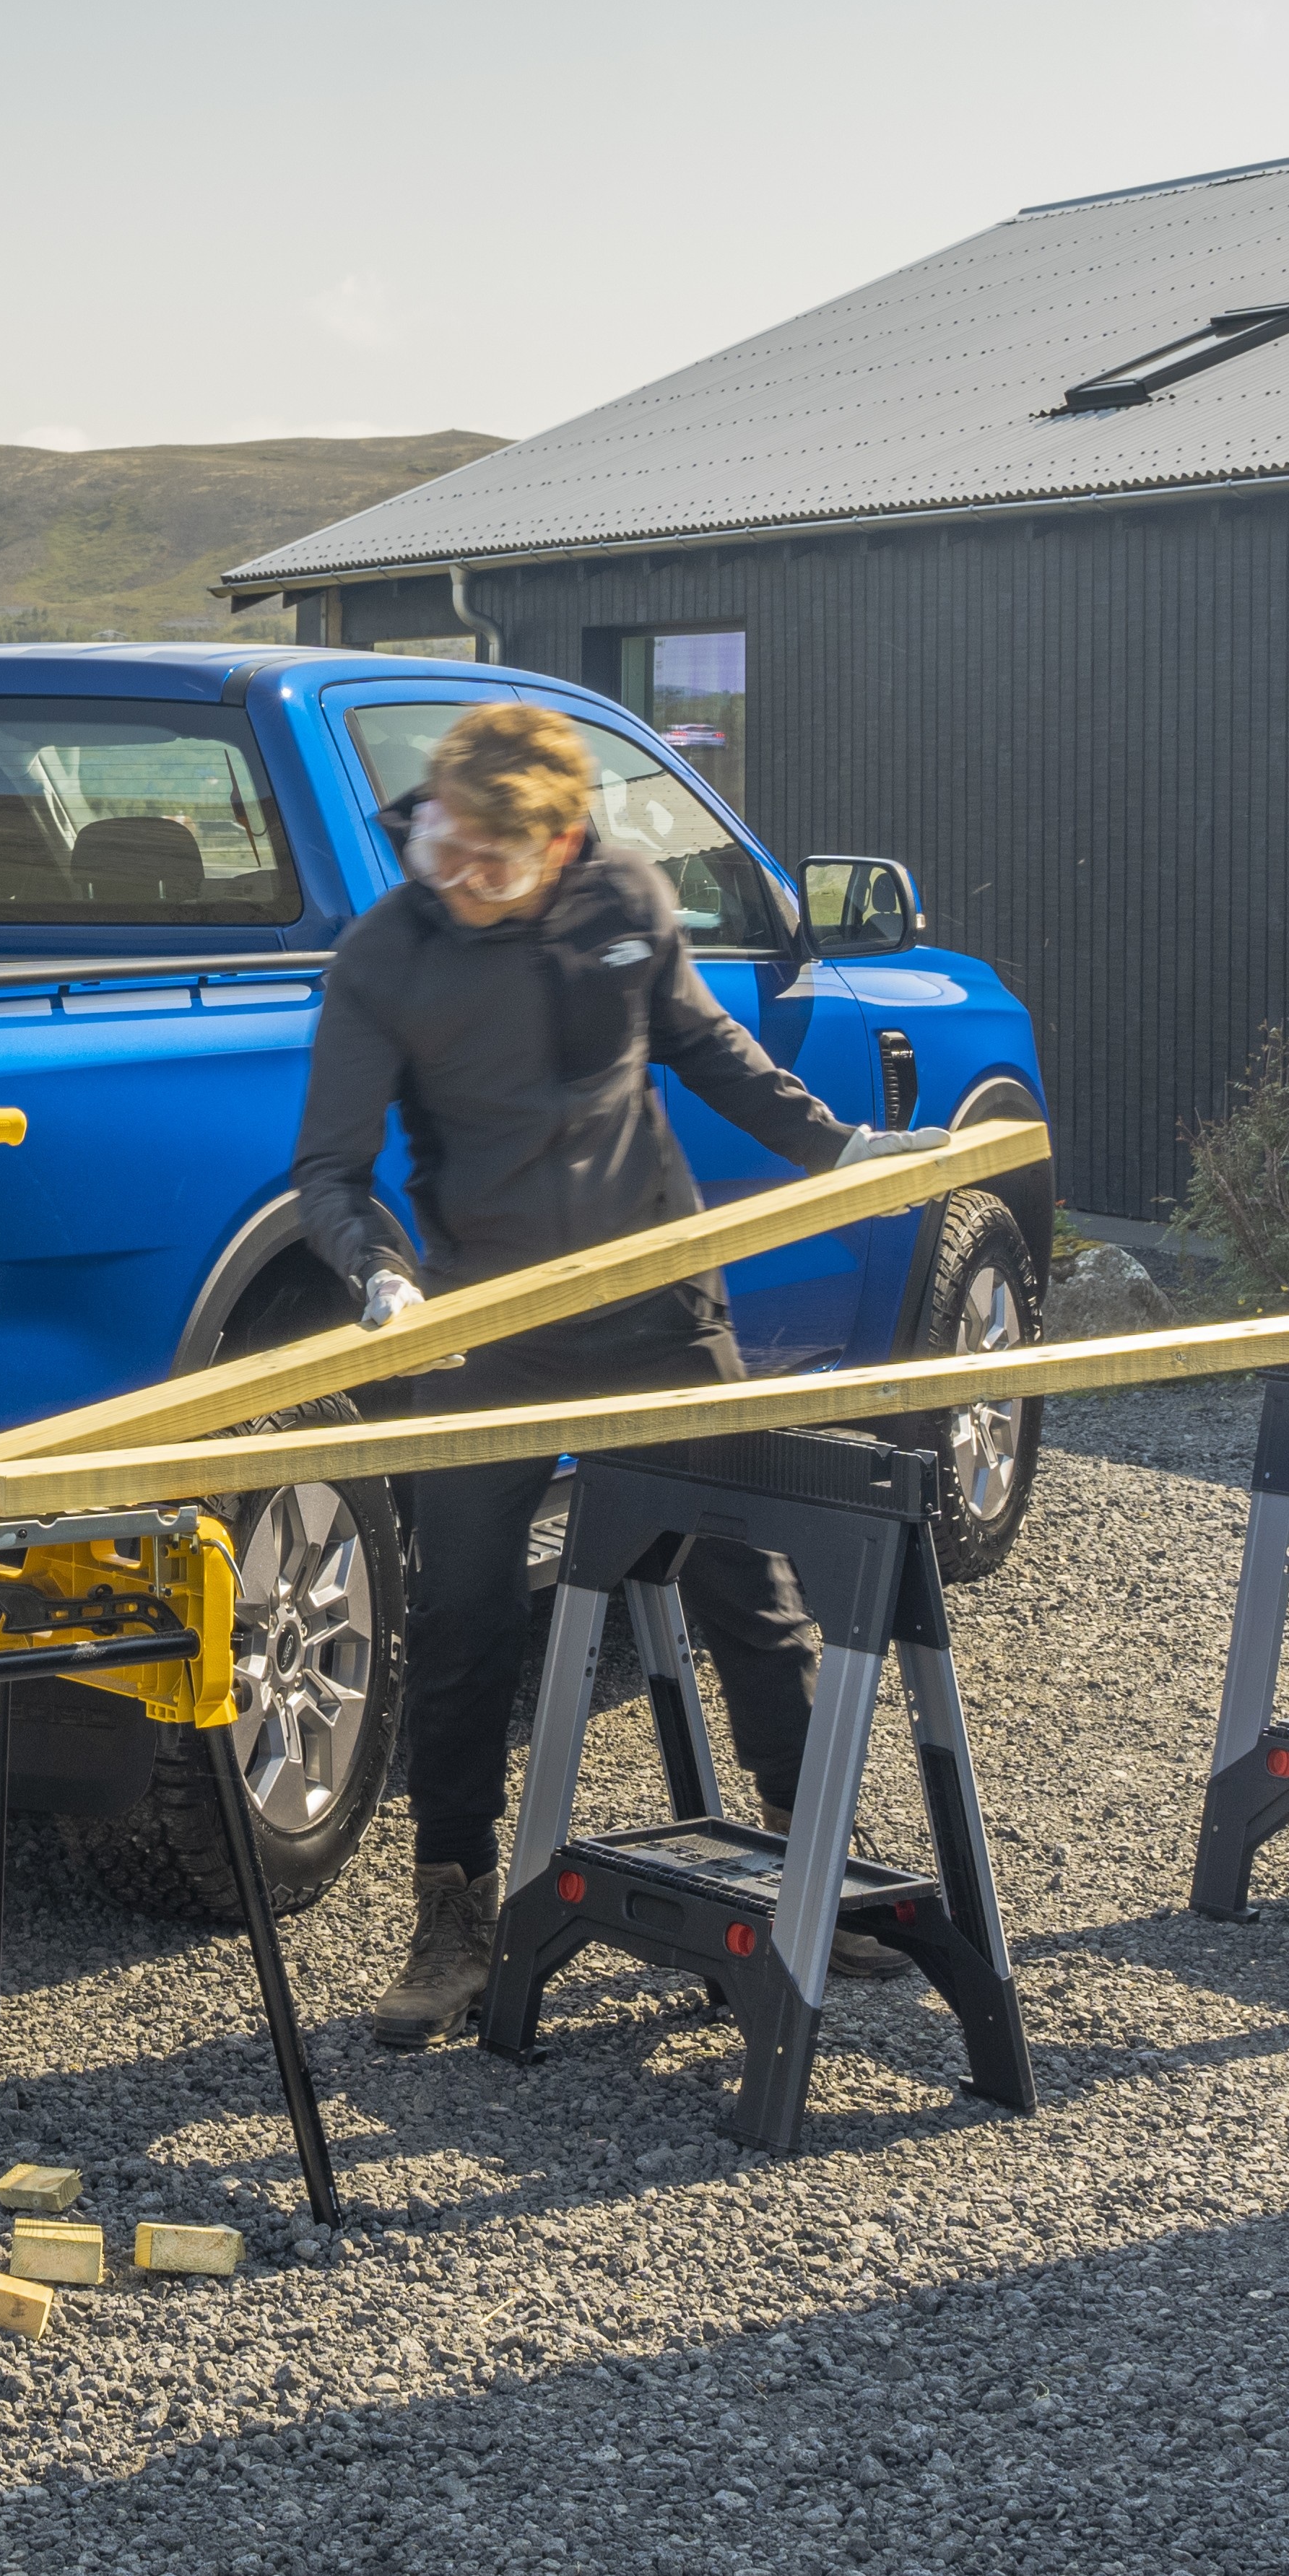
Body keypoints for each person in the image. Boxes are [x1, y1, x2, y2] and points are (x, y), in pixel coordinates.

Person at [287, 697, 947, 2046]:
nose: (456, 878)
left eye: (490, 860)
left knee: (746, 1590)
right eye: (440, 850)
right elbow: (330, 1173)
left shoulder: (627, 897)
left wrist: (833, 1151)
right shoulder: (385, 954)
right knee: (464, 1623)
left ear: (564, 840)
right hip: (489, 1324)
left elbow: (706, 1046)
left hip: (656, 1303)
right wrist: (381, 1274)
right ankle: (455, 1910)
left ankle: (809, 1856)